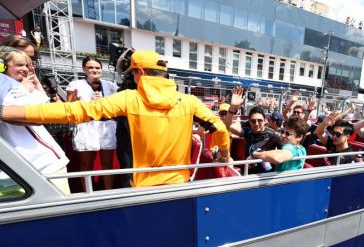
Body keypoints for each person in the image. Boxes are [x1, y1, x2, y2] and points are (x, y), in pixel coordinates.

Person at [1, 50, 231, 187]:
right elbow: (220, 129)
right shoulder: (189, 101)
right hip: (179, 184)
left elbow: (75, 112)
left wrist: (9, 112)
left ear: (139, 72)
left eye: (132, 73)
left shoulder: (128, 98)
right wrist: (224, 156)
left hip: (143, 186)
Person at [0, 50, 70, 194]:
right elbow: (35, 117)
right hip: (24, 167)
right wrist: (22, 90)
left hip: (47, 163)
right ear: (3, 66)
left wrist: (33, 83)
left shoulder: (22, 86)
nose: (25, 69)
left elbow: (45, 112)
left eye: (27, 65)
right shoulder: (12, 86)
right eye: (20, 65)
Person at [66, 57, 118, 191]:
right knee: (86, 164)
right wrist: (90, 101)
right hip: (87, 126)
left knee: (108, 163)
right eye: (90, 67)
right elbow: (69, 107)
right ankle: (88, 193)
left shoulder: (110, 85)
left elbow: (116, 106)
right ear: (84, 69)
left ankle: (109, 193)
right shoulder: (76, 84)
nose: (94, 70)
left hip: (106, 126)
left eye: (97, 68)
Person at [225, 87, 281, 173]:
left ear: (265, 120)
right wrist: (232, 107)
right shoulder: (248, 132)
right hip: (248, 172)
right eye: (253, 121)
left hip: (266, 175)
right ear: (249, 122)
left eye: (260, 120)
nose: (257, 124)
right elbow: (228, 125)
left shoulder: (273, 135)